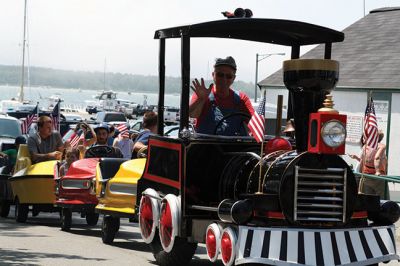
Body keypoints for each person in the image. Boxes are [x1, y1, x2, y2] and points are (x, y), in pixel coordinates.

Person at [189, 56, 255, 135]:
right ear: (213, 75)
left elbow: (254, 125)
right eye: (220, 75)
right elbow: (192, 115)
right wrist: (201, 99)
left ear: (233, 78)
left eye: (228, 76)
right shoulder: (202, 95)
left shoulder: (241, 99)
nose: (224, 79)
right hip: (205, 145)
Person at [351, 131, 388, 198]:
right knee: (382, 200)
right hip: (378, 178)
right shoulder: (381, 146)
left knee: (368, 199)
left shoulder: (365, 147)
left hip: (366, 177)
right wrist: (377, 171)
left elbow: (362, 161)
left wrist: (361, 175)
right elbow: (377, 158)